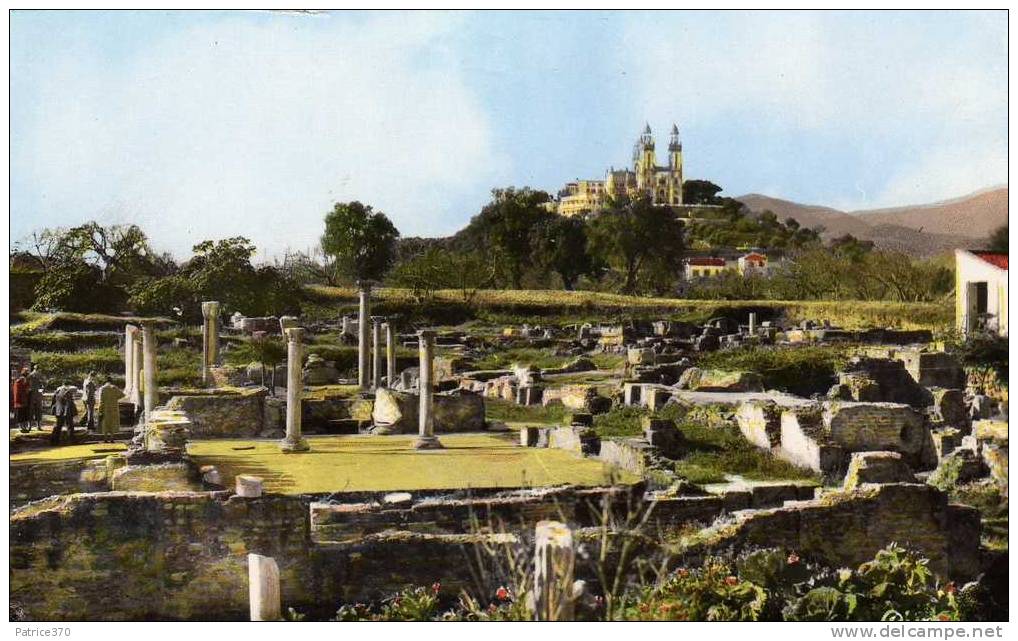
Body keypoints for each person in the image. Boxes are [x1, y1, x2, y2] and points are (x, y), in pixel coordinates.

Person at [12, 368, 30, 432]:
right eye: (26, 373)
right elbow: (16, 392)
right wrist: (17, 401)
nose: (27, 374)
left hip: (25, 400)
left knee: (24, 414)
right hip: (19, 401)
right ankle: (20, 426)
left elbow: (27, 389)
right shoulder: (18, 381)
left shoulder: (26, 381)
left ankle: (24, 426)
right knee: (20, 415)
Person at [27, 364, 43, 431]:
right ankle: (36, 426)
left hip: (33, 394)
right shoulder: (37, 375)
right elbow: (44, 383)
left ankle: (31, 426)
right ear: (38, 369)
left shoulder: (30, 375)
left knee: (33, 410)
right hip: (36, 394)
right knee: (36, 410)